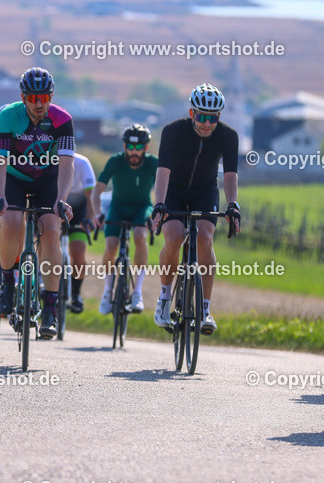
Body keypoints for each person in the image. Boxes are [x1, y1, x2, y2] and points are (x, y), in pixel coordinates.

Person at [0, 67, 75, 340]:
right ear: (23, 97)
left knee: (51, 229)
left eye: (44, 97)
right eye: (33, 98)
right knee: (11, 221)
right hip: (15, 178)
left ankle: (50, 306)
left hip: (48, 179)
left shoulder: (62, 120)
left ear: (51, 96)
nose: (39, 104)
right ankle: (7, 282)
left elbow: (67, 164)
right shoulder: (8, 116)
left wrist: (61, 199)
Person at [150, 84, 240, 335]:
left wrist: (233, 204)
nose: (206, 123)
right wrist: (159, 203)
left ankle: (205, 309)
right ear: (192, 114)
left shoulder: (228, 136)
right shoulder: (173, 131)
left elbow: (231, 174)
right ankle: (165, 297)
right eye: (201, 117)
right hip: (173, 191)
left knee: (205, 237)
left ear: (219, 117)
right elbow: (163, 170)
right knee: (175, 236)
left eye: (212, 118)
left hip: (204, 191)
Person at [92, 124, 158, 315]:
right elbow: (97, 191)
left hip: (142, 207)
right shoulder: (115, 161)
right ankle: (107, 291)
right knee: (111, 245)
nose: (134, 151)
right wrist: (97, 213)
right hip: (118, 207)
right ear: (124, 146)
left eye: (139, 147)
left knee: (139, 235)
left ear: (146, 148)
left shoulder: (153, 163)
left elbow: (164, 189)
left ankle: (137, 292)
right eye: (130, 147)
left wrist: (156, 215)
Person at [64, 151, 96, 313]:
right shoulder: (50, 158)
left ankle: (76, 293)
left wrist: (89, 219)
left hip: (79, 210)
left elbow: (91, 196)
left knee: (78, 250)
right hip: (56, 206)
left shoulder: (83, 163)